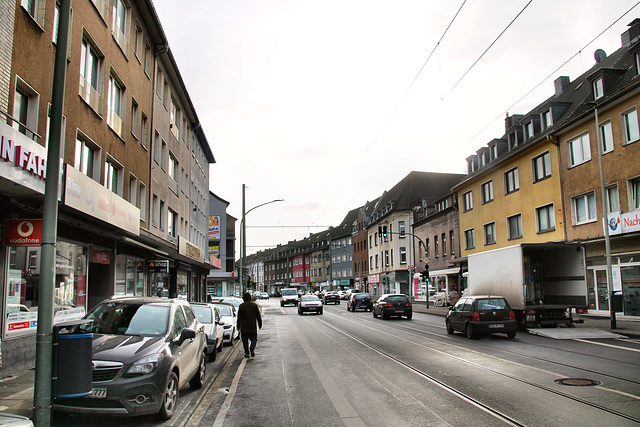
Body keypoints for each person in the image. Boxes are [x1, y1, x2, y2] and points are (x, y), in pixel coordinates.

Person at [237, 292, 262, 357]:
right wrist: (260, 324)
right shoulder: (254, 306)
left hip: (244, 327)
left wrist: (238, 326)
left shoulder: (241, 306)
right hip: (252, 326)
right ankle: (252, 347)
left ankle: (247, 352)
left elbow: (239, 317)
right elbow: (258, 316)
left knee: (245, 341)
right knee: (254, 338)